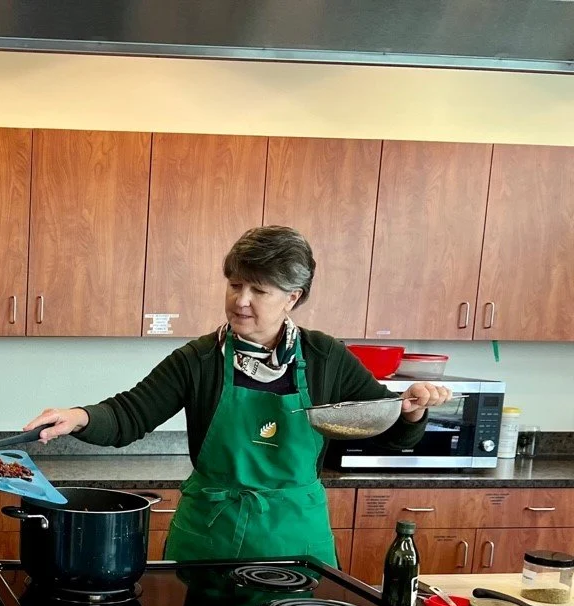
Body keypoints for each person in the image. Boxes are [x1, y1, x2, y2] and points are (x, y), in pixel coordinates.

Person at [26, 226, 453, 565]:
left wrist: (411, 411)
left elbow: (386, 429)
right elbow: (130, 414)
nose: (240, 300)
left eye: (259, 290)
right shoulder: (200, 359)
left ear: (292, 298)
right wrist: (79, 417)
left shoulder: (326, 357)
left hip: (294, 539)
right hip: (209, 536)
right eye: (235, 285)